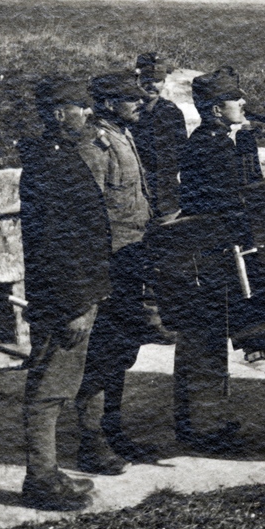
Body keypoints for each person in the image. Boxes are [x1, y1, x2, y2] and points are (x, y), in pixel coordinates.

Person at [17, 77, 110, 511]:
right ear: (58, 115)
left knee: (55, 387)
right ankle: (40, 479)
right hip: (65, 299)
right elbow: (57, 244)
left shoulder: (56, 158)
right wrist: (75, 305)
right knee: (49, 390)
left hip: (73, 294)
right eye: (81, 107)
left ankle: (47, 472)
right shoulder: (50, 164)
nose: (89, 114)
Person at [170, 68, 261, 453]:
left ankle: (205, 421)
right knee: (204, 341)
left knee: (205, 339)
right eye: (234, 99)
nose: (242, 103)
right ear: (214, 108)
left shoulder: (215, 142)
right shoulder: (211, 147)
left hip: (206, 253)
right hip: (207, 256)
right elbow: (232, 202)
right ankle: (202, 428)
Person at [76, 73, 156, 471]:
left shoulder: (123, 134)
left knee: (121, 350)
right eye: (131, 98)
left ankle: (113, 429)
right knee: (99, 354)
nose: (141, 103)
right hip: (107, 264)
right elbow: (86, 215)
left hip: (130, 261)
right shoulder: (95, 144)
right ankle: (91, 442)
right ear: (107, 103)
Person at [132, 52, 186, 220]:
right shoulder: (127, 112)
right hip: (135, 197)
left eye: (158, 81)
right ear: (137, 79)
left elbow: (181, 154)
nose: (152, 86)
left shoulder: (172, 112)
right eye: (147, 80)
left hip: (166, 197)